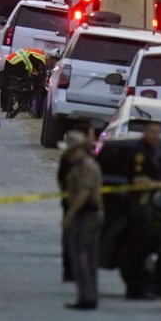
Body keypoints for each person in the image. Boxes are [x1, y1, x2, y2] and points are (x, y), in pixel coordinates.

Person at [59, 130, 104, 310]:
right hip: (89, 214)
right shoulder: (82, 165)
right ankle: (88, 295)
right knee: (89, 257)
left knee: (81, 257)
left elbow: (84, 193)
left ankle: (86, 296)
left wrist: (70, 213)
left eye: (71, 151)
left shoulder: (85, 167)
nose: (69, 155)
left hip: (86, 215)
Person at [122, 120, 161, 300]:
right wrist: (160, 185)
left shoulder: (150, 151)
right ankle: (135, 289)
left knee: (142, 247)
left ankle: (139, 287)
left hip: (145, 205)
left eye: (158, 133)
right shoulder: (140, 152)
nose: (156, 136)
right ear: (145, 132)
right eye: (153, 132)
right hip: (138, 205)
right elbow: (138, 180)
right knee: (137, 249)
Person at [57, 121, 97, 282]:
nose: (94, 137)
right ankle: (74, 271)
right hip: (79, 204)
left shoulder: (76, 156)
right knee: (75, 240)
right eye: (92, 133)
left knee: (73, 239)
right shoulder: (80, 159)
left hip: (73, 203)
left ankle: (71, 270)